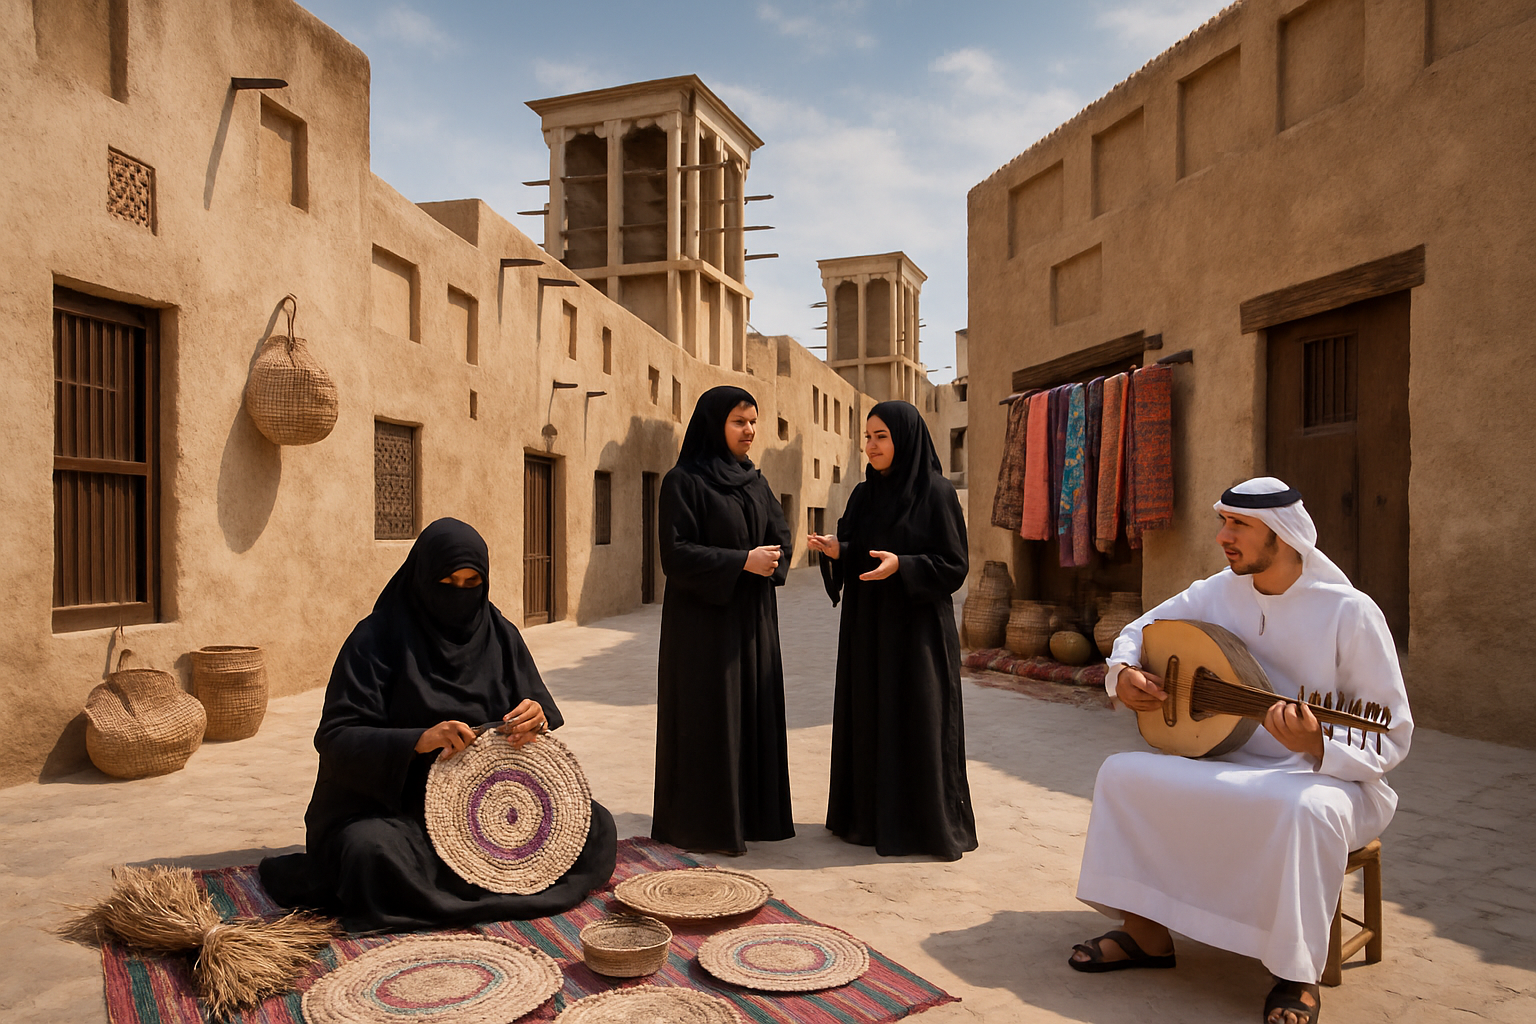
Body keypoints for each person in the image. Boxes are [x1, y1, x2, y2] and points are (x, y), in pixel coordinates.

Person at [1068, 477, 1413, 1024]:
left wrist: (1319, 743)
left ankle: (1296, 974)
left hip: (1330, 779)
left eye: (1238, 526)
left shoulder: (1350, 612)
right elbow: (1136, 630)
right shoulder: (1218, 589)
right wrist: (1124, 673)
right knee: (1123, 773)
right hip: (1229, 760)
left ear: (1282, 534)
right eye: (1223, 522)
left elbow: (1391, 736)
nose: (1223, 537)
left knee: (1304, 810)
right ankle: (1146, 935)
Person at [259, 518, 617, 932]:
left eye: (472, 583)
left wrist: (533, 717)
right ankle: (487, 883)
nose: (460, 595)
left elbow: (537, 709)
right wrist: (419, 739)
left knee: (596, 824)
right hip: (398, 808)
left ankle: (469, 880)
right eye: (447, 582)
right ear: (421, 577)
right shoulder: (377, 639)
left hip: (488, 807)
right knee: (368, 853)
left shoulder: (498, 633)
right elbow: (337, 737)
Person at [807, 400, 977, 860]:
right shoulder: (865, 496)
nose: (872, 445)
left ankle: (920, 824)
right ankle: (866, 819)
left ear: (904, 438)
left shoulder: (936, 493)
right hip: (867, 630)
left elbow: (954, 565)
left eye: (881, 436)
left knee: (917, 717)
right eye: (867, 437)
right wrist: (838, 549)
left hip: (916, 633)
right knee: (869, 716)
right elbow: (858, 546)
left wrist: (903, 565)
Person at [651, 385, 796, 856]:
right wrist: (740, 562)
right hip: (702, 628)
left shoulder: (754, 480)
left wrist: (772, 558)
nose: (749, 431)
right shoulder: (683, 481)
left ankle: (753, 815)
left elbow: (780, 531)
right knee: (709, 717)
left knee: (751, 711)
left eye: (753, 421)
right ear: (715, 425)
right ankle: (703, 822)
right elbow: (676, 554)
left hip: (753, 620)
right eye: (739, 422)